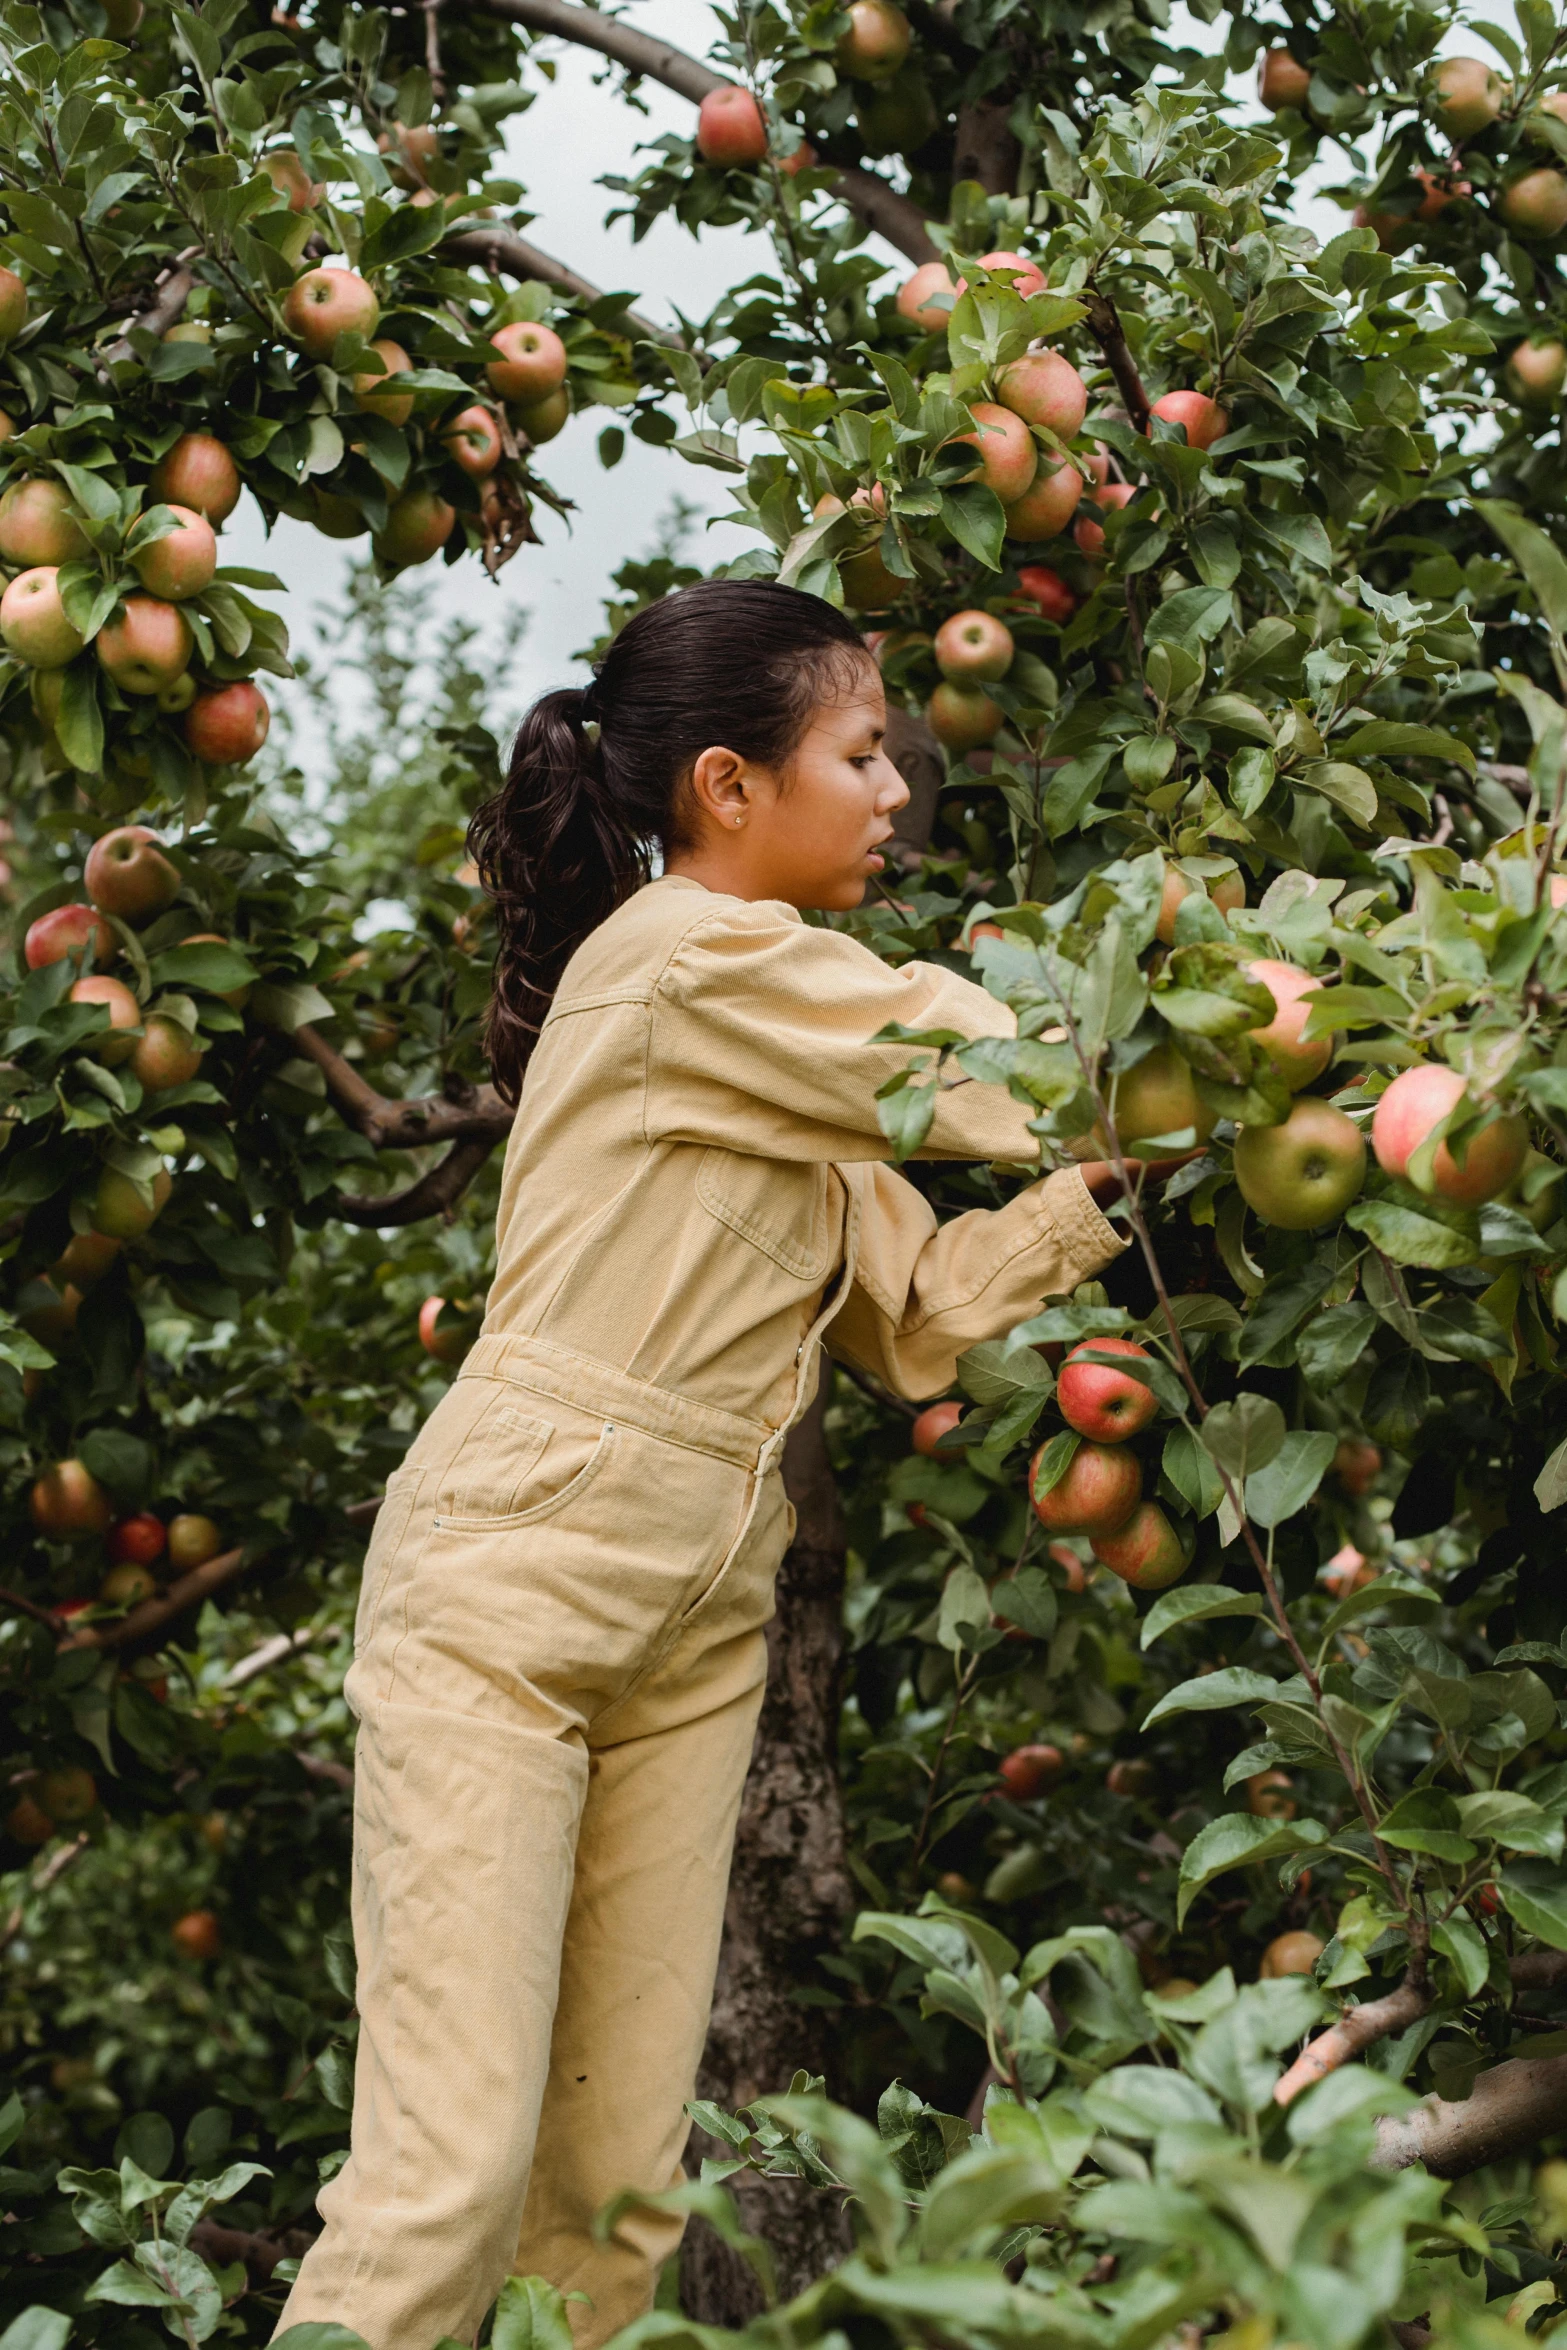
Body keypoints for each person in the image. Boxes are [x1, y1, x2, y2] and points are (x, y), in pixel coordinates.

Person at [277, 579, 1129, 2350]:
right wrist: (1190, 1039)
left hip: (687, 1628)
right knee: (444, 2179)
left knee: (609, 2199)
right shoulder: (688, 960)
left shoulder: (786, 1050)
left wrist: (1099, 1200)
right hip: (512, 1590)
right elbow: (981, 1060)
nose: (894, 791)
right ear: (729, 786)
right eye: (860, 753)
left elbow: (912, 1318)